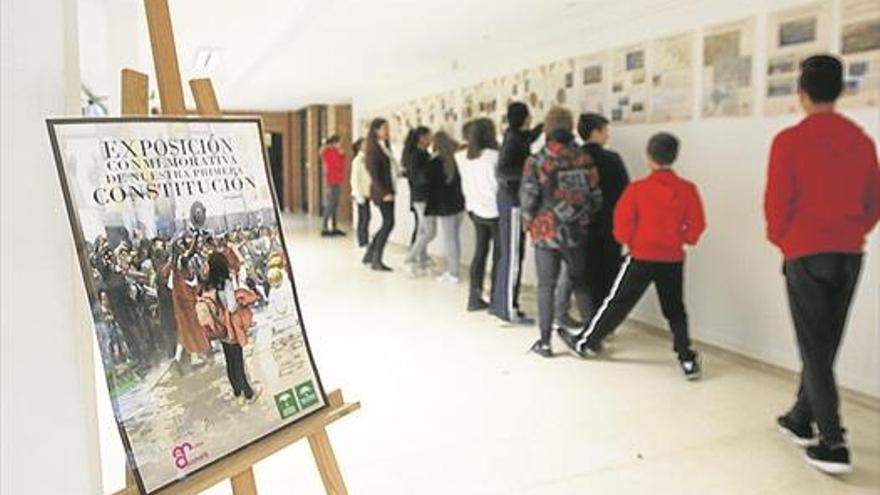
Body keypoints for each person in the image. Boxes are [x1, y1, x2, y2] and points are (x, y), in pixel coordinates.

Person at [765, 55, 879, 475]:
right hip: (850, 253)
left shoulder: (788, 142)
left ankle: (832, 441)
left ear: (801, 93)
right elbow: (873, 204)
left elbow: (776, 206)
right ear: (842, 91)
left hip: (805, 252)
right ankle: (800, 416)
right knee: (824, 342)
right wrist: (850, 232)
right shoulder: (862, 141)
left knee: (814, 346)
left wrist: (786, 241)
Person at [558, 132, 705, 379]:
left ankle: (586, 343)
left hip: (641, 256)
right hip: (672, 259)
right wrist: (682, 239)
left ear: (649, 157)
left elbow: (622, 224)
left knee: (616, 303)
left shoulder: (638, 189)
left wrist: (630, 241)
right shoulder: (688, 189)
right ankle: (686, 358)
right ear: (674, 156)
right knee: (675, 309)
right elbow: (696, 225)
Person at [520, 107, 602, 357]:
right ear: (571, 129)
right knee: (581, 282)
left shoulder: (537, 160)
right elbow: (596, 197)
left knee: (546, 285)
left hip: (546, 230)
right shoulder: (584, 158)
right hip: (576, 230)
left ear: (546, 129)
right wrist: (583, 219)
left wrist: (529, 225)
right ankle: (591, 338)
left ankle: (545, 342)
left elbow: (528, 199)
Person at [555, 113, 630, 329]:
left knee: (583, 277)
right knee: (607, 276)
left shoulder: (570, 159)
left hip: (578, 227)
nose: (607, 135)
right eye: (605, 130)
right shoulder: (612, 159)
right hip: (608, 226)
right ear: (595, 132)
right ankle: (604, 326)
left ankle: (589, 323)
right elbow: (624, 195)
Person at [491, 101, 543, 325]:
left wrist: (542, 128)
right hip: (512, 202)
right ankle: (507, 309)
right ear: (524, 118)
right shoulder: (513, 140)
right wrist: (529, 172)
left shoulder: (515, 135)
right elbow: (503, 170)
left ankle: (499, 303)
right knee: (513, 256)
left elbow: (527, 138)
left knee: (509, 254)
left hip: (510, 200)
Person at [196, 252, 262, 405]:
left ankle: (236, 390)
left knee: (229, 360)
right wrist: (240, 301)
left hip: (219, 326)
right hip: (230, 325)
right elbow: (231, 307)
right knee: (238, 360)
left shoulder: (208, 284)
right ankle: (248, 393)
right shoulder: (225, 284)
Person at [457, 118, 501, 311]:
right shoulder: (494, 156)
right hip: (496, 210)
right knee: (500, 256)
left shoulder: (462, 156)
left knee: (480, 253)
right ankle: (497, 298)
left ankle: (474, 297)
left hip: (475, 210)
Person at [426, 131, 466, 283]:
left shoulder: (434, 162)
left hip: (445, 207)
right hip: (459, 204)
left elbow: (429, 184)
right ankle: (454, 269)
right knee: (454, 239)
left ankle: (453, 272)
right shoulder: (458, 159)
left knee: (450, 240)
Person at [364, 118, 398, 271]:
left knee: (387, 223)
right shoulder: (372, 148)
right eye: (384, 128)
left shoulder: (384, 146)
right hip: (382, 192)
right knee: (388, 223)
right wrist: (384, 193)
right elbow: (374, 174)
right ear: (376, 130)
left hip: (389, 190)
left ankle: (370, 253)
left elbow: (389, 168)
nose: (387, 131)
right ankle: (376, 259)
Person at [403, 126, 436, 274]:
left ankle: (422, 258)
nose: (431, 140)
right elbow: (418, 177)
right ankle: (409, 259)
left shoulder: (422, 153)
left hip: (424, 196)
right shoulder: (417, 155)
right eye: (429, 136)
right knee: (429, 231)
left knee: (423, 230)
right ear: (422, 138)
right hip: (421, 196)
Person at [320, 135, 346, 237]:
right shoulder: (329, 152)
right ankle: (325, 227)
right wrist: (340, 155)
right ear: (334, 143)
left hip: (337, 181)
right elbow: (337, 166)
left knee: (335, 205)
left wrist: (342, 155)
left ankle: (334, 227)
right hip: (332, 182)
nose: (340, 144)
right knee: (330, 205)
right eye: (339, 142)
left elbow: (341, 167)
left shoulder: (336, 152)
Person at [349, 138, 371, 248]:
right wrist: (358, 194)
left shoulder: (367, 158)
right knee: (363, 217)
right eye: (364, 144)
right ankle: (362, 240)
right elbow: (355, 179)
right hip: (360, 193)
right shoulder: (357, 160)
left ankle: (365, 239)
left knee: (366, 217)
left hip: (366, 193)